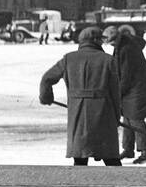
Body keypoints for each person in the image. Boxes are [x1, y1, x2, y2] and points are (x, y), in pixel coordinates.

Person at [38, 27, 122, 167]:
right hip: (103, 113)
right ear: (94, 41)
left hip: (77, 112)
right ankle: (122, 186)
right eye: (100, 40)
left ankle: (78, 185)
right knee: (110, 158)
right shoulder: (108, 60)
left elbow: (47, 78)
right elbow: (115, 92)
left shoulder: (68, 59)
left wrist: (45, 97)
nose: (102, 43)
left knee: (80, 156)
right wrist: (116, 116)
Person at [105, 24, 146, 164]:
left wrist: (117, 92)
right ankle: (128, 149)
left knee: (136, 118)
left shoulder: (126, 49)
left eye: (112, 42)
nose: (111, 45)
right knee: (127, 117)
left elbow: (125, 75)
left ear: (117, 38)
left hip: (138, 88)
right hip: (134, 87)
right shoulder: (122, 45)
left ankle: (145, 152)